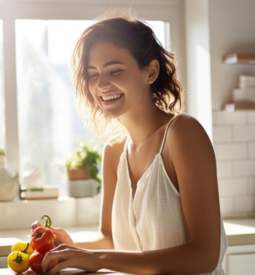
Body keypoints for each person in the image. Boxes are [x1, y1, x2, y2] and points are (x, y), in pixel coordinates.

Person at [31, 9, 228, 275]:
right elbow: (112, 241)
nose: (101, 85)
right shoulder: (114, 150)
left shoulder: (183, 134)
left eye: (115, 70)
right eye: (93, 74)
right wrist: (67, 247)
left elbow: (204, 256)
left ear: (151, 72)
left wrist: (98, 259)